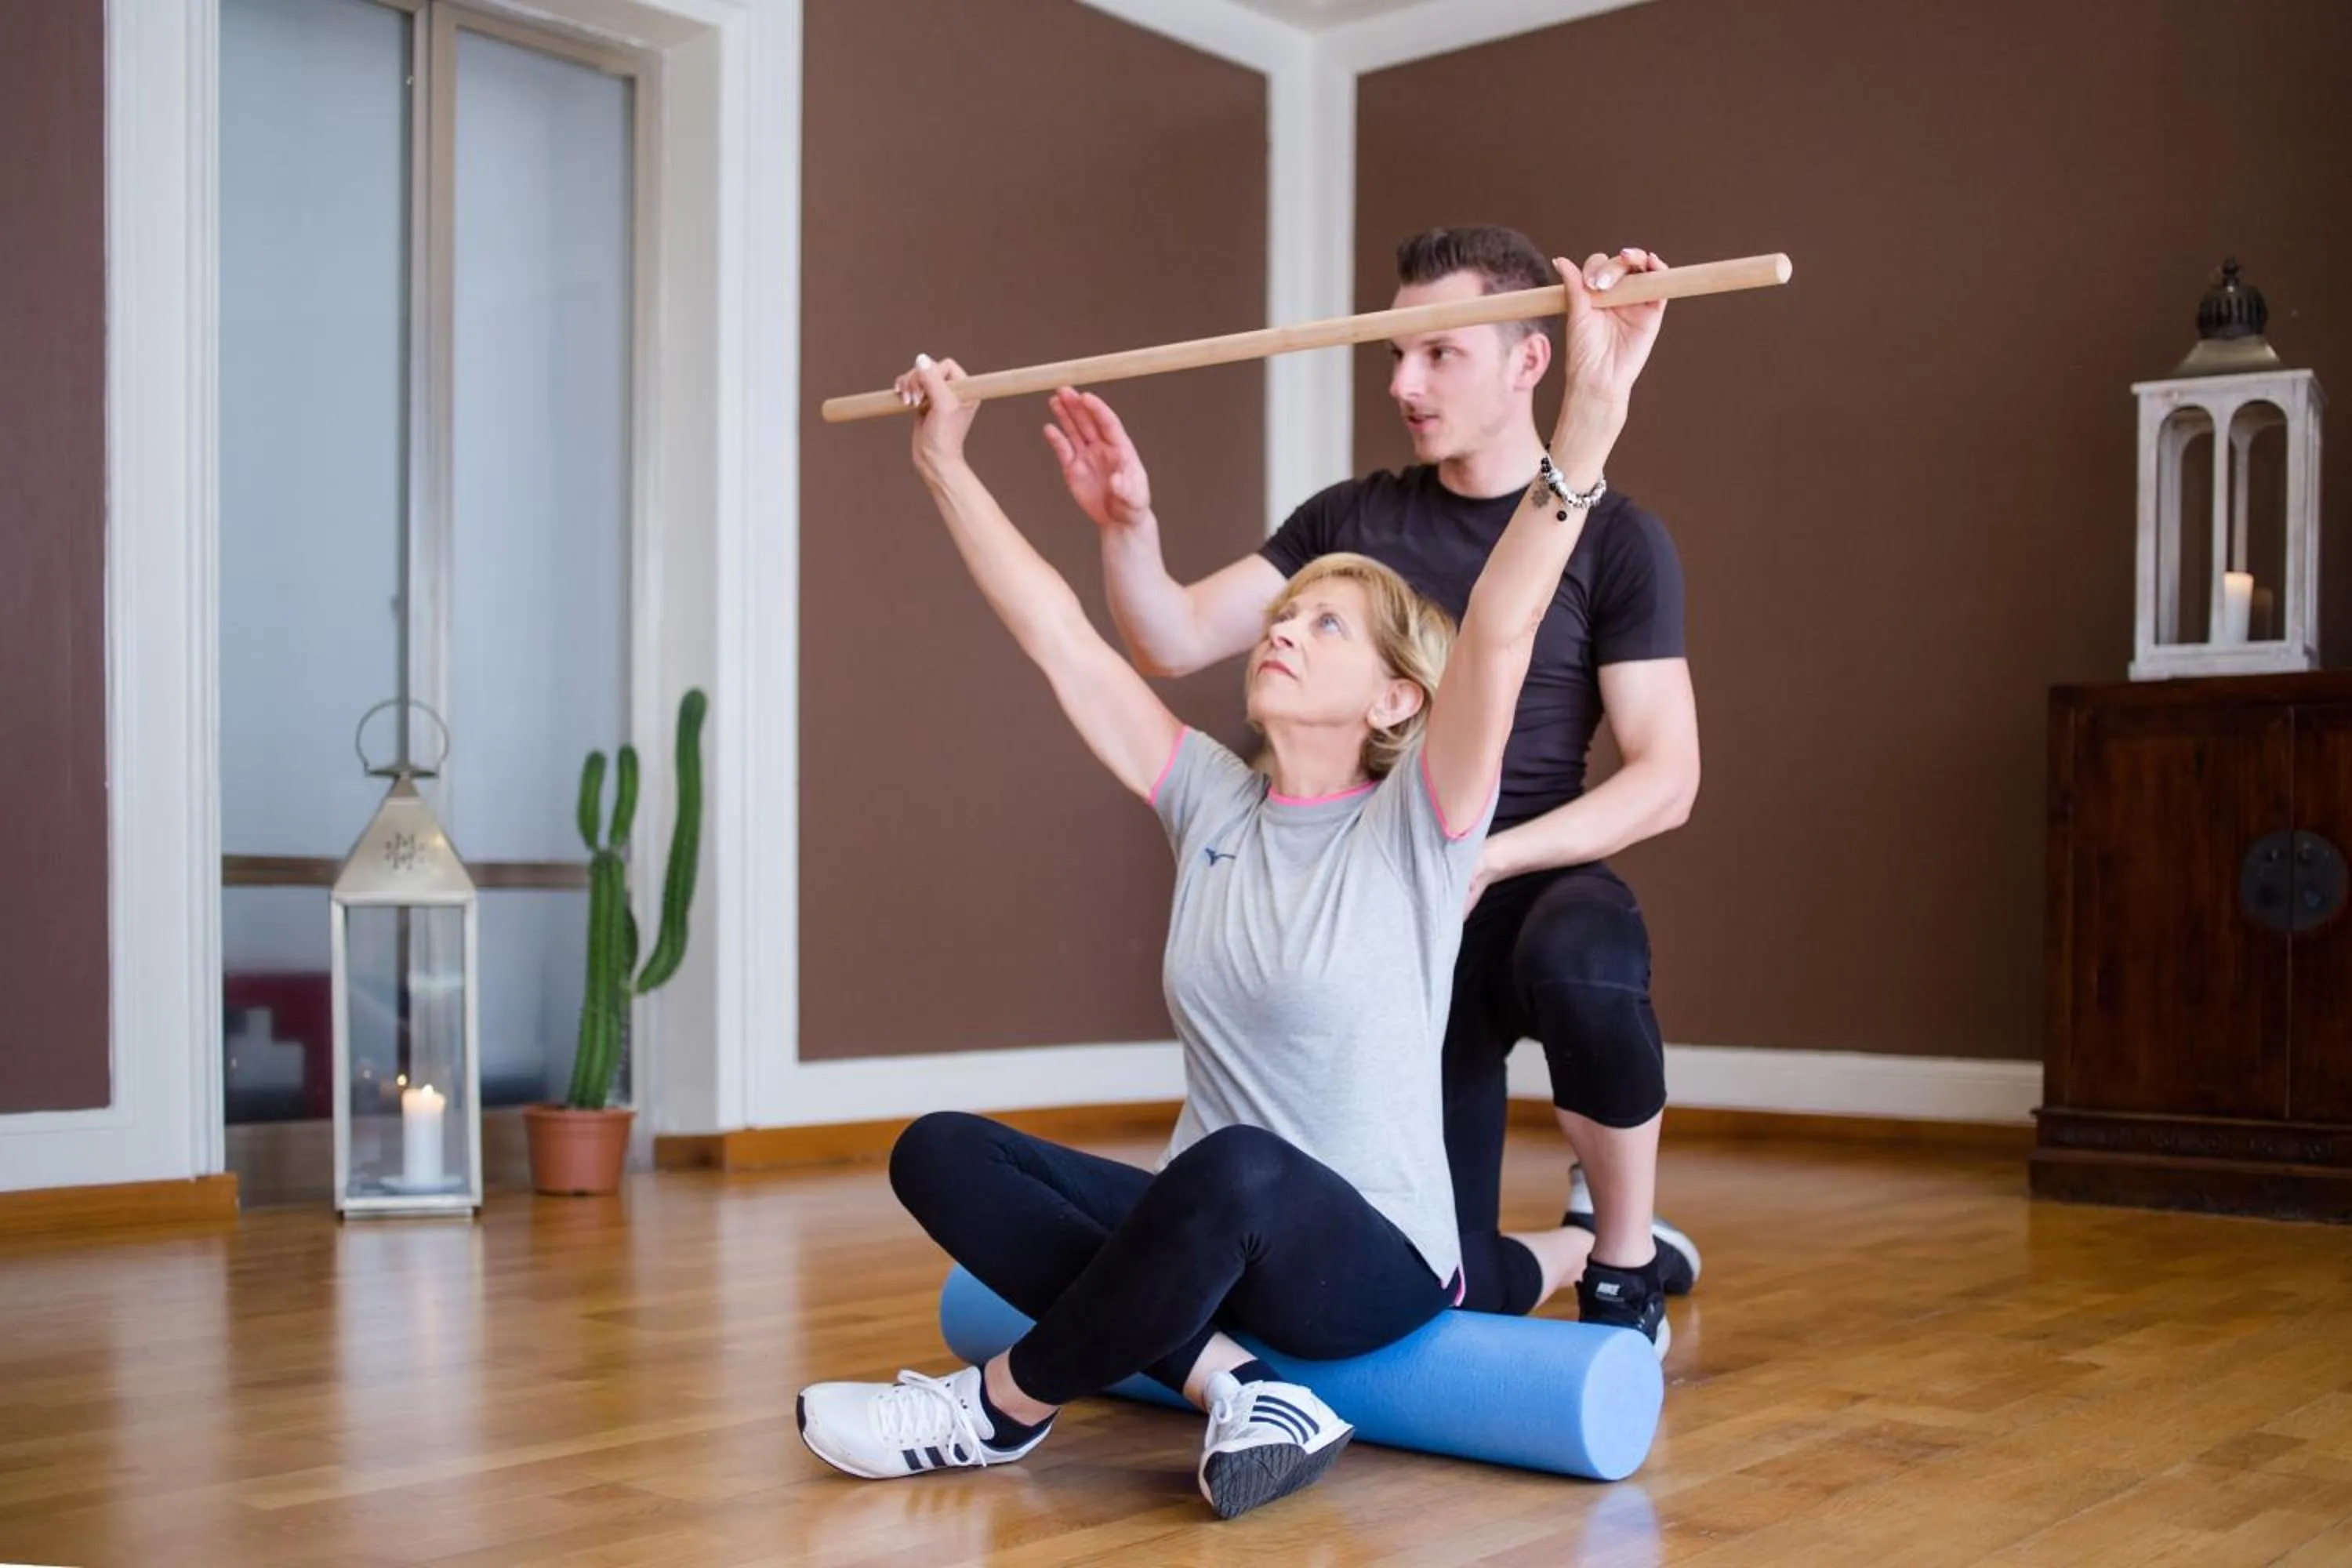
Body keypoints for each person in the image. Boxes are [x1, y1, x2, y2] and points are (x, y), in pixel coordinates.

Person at [796, 247, 1671, 1519]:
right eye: (1285, 612)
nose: (1281, 628)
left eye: (1326, 625)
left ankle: (994, 1408)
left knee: (1243, 1168)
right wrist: (944, 463)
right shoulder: (1209, 797)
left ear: (1395, 699)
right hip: (1212, 1244)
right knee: (941, 1152)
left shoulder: (1421, 823)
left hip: (1357, 1263)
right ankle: (1236, 1383)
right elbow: (1059, 636)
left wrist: (1592, 416)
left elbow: (1500, 625)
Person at [1046, 225, 1703, 1343]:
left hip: (1522, 876)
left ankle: (1626, 1257)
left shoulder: (1617, 538)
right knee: (1420, 1259)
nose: (1403, 382)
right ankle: (1565, 1248)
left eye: (1440, 354)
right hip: (1381, 912)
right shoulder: (1353, 523)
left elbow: (1669, 779)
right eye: (1396, 353)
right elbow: (1167, 634)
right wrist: (1128, 530)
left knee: (1584, 955)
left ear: (1528, 361)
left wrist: (1487, 857)